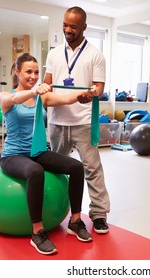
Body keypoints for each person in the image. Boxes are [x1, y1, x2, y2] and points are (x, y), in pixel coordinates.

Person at [0, 53, 98, 255]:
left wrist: (86, 93)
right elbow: (15, 98)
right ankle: (37, 232)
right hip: (13, 156)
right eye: (28, 72)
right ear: (17, 72)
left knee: (76, 167)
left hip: (38, 151)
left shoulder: (41, 97)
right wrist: (34, 91)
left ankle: (75, 221)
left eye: (36, 72)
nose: (33, 76)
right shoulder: (4, 96)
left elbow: (66, 98)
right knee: (35, 171)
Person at [44, 6, 110, 234]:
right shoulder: (53, 53)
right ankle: (56, 210)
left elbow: (100, 88)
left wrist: (90, 93)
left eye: (73, 26)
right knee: (55, 169)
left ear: (84, 27)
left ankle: (99, 215)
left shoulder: (95, 55)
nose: (67, 29)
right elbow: (47, 82)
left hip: (83, 121)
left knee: (92, 169)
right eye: (65, 24)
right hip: (58, 121)